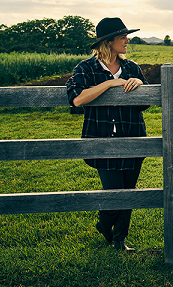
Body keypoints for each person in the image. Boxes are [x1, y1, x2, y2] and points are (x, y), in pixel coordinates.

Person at [66, 17, 148, 251]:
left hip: (132, 138)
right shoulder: (85, 68)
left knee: (129, 194)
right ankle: (105, 222)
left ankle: (120, 239)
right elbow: (77, 99)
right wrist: (110, 84)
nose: (127, 40)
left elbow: (145, 104)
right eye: (122, 37)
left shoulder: (132, 67)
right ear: (109, 42)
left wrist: (138, 85)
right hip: (101, 141)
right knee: (114, 195)